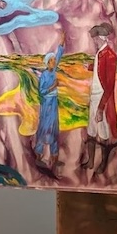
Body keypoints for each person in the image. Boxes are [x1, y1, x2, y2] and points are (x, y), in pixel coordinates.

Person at [81, 23, 117, 173]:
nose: (94, 42)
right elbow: (99, 69)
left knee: (103, 132)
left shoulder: (110, 56)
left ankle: (103, 164)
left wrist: (101, 108)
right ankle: (90, 161)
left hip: (102, 98)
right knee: (91, 129)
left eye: (95, 39)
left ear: (101, 38)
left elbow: (109, 85)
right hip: (94, 96)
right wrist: (90, 67)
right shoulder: (100, 54)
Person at [34, 32, 65, 171]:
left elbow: (59, 54)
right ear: (48, 63)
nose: (54, 61)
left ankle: (54, 158)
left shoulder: (53, 71)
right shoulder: (45, 75)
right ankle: (38, 156)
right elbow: (41, 91)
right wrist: (53, 86)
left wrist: (62, 41)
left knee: (54, 130)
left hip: (53, 105)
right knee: (44, 129)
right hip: (47, 106)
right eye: (52, 60)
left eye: (54, 60)